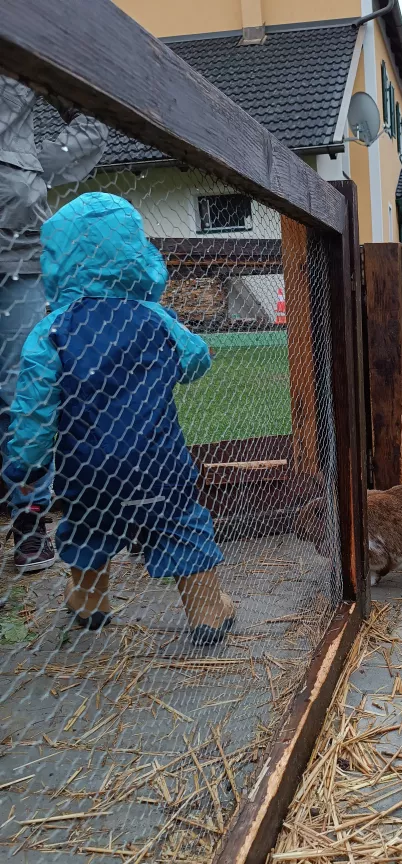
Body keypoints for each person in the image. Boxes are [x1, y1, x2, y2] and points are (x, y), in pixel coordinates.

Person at [4, 192, 235, 646]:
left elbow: (32, 409)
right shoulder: (154, 318)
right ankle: (208, 613)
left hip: (86, 468)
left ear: (60, 258)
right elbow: (197, 361)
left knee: (87, 528)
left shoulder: (51, 330)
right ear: (134, 251)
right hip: (158, 463)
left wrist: (26, 467)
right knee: (180, 524)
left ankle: (90, 604)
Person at [0, 75, 108, 571]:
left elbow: (91, 118)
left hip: (17, 255)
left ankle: (29, 523)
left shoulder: (25, 39)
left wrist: (30, 170)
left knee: (23, 388)